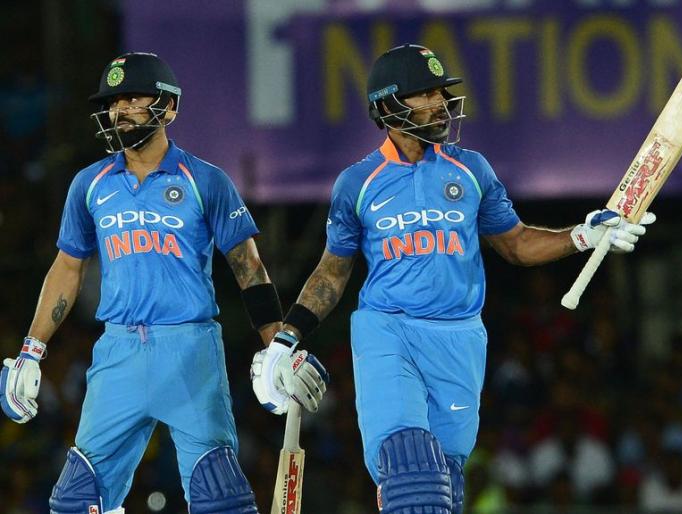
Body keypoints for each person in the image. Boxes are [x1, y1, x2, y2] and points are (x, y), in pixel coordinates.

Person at [250, 44, 654, 513]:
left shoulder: (472, 169)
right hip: (389, 332)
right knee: (410, 470)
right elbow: (332, 272)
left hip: (461, 339)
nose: (440, 102)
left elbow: (517, 244)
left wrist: (583, 236)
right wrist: (285, 339)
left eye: (441, 92)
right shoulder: (358, 183)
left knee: (444, 485)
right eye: (425, 94)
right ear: (387, 105)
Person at [0, 52, 328, 514]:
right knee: (76, 502)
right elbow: (67, 268)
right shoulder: (90, 185)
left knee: (219, 499)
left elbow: (249, 268)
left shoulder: (205, 180)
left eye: (133, 98)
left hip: (189, 351)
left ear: (168, 107)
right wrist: (32, 349)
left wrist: (277, 348)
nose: (121, 109)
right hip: (117, 354)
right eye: (114, 102)